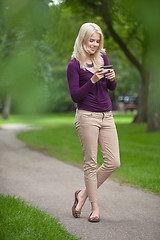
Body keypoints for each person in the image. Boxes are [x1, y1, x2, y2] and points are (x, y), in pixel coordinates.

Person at [67, 23, 120, 223]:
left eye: (98, 41)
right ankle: (95, 208)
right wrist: (92, 80)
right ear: (83, 39)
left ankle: (82, 194)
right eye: (91, 40)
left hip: (107, 115)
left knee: (114, 161)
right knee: (91, 163)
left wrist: (112, 79)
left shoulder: (102, 57)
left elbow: (111, 87)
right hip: (87, 116)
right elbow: (75, 96)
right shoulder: (73, 64)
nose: (95, 45)